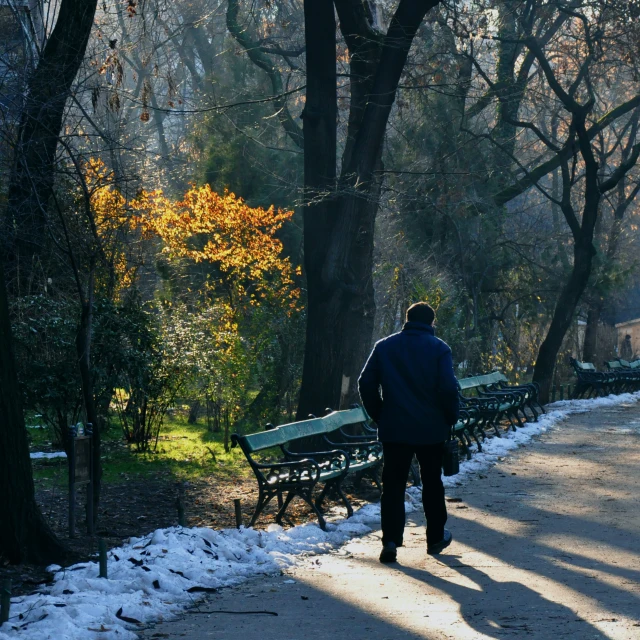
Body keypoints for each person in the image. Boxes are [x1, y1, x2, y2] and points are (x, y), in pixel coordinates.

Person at [358, 302, 460, 563]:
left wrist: (380, 414)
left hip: (395, 428)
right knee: (432, 483)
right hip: (431, 428)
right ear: (432, 323)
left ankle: (390, 540)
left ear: (407, 319)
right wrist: (450, 418)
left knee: (392, 485)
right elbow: (448, 389)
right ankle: (435, 537)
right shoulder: (439, 349)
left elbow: (365, 383)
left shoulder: (384, 346)